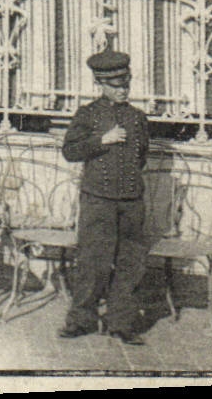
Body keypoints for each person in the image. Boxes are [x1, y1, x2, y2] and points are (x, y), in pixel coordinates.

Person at [59, 49, 149, 346]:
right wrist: (101, 140)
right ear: (100, 83)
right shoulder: (88, 114)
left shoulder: (138, 118)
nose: (122, 90)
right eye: (115, 85)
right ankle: (81, 320)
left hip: (131, 200)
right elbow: (70, 151)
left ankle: (121, 323)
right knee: (92, 261)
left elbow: (142, 157)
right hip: (98, 199)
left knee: (130, 262)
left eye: (126, 84)